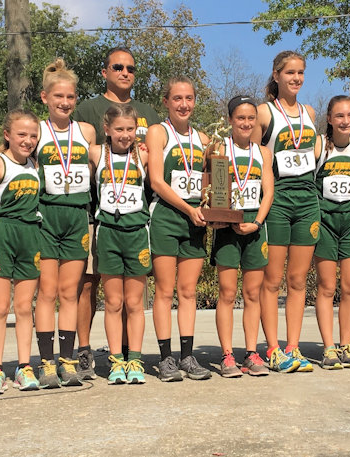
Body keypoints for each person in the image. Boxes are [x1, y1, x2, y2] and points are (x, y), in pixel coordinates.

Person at [73, 46, 160, 379]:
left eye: (131, 68)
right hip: (99, 219)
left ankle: (129, 356)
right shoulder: (88, 109)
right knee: (90, 288)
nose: (125, 72)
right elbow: (58, 145)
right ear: (105, 71)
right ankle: (85, 350)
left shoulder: (148, 112)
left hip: (137, 221)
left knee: (133, 297)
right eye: (118, 67)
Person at [252, 51, 321, 373]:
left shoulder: (309, 112)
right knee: (272, 279)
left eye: (301, 73)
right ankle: (273, 348)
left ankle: (293, 346)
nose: (296, 78)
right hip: (278, 201)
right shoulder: (264, 113)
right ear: (276, 75)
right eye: (290, 72)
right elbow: (250, 158)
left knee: (297, 280)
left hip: (308, 201)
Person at [35, 58, 96, 387]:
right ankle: (45, 362)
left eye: (71, 97)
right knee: (47, 292)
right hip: (47, 214)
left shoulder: (85, 131)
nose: (65, 103)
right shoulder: (37, 130)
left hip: (77, 215)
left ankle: (68, 360)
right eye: (58, 97)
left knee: (70, 292)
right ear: (45, 98)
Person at [146, 76, 211, 381]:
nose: (184, 105)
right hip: (167, 217)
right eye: (177, 99)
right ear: (166, 102)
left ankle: (187, 356)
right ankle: (165, 358)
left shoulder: (205, 139)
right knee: (164, 290)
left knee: (188, 291)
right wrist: (188, 208)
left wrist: (213, 208)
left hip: (196, 220)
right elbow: (156, 180)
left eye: (189, 98)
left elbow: (212, 180)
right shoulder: (158, 132)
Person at [210, 96, 274, 377]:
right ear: (230, 120)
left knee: (252, 294)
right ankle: (227, 354)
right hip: (227, 227)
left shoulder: (263, 153)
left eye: (251, 118)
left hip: (254, 226)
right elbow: (208, 185)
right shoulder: (218, 147)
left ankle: (251, 352)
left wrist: (257, 223)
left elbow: (268, 192)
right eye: (240, 118)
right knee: (226, 293)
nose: (246, 123)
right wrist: (215, 215)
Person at [0, 109, 42, 393]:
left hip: (30, 235)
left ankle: (24, 366)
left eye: (32, 135)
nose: (28, 140)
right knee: (0, 307)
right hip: (2, 232)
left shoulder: (35, 165)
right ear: (7, 135)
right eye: (21, 134)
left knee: (24, 308)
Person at [89, 105, 151, 384]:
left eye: (130, 129)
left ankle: (135, 359)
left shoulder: (144, 155)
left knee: (135, 303)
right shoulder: (95, 154)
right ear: (107, 130)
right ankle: (116, 361)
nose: (125, 135)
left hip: (137, 232)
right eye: (119, 129)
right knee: (113, 302)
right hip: (109, 233)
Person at [313, 96, 350, 369]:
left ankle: (346, 343)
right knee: (326, 287)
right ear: (329, 119)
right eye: (339, 116)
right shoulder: (318, 146)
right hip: (325, 221)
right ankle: (328, 347)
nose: (346, 121)